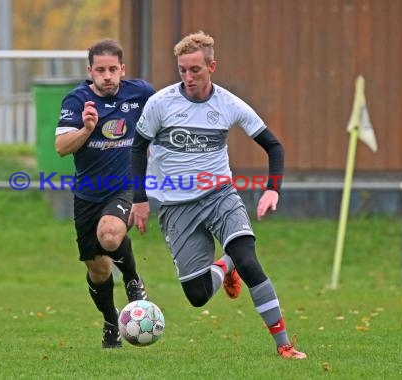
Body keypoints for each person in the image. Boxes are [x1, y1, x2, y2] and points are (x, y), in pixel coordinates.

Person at [129, 31, 307, 359]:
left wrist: (272, 190)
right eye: (182, 70)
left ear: (212, 66)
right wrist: (139, 199)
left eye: (195, 69)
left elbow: (274, 146)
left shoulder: (228, 104)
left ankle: (284, 344)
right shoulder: (161, 104)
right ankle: (226, 264)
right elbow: (138, 148)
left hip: (219, 196)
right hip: (175, 205)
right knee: (197, 296)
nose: (188, 77)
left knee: (250, 260)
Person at [55, 38, 155, 349]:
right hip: (88, 194)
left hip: (124, 187)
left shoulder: (141, 93)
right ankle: (112, 320)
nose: (108, 75)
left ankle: (133, 282)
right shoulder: (76, 100)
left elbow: (165, 118)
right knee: (98, 270)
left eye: (113, 69)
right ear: (90, 71)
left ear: (122, 69)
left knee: (110, 234)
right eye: (101, 70)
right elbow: (60, 148)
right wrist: (86, 129)